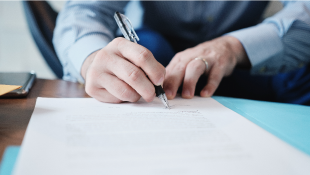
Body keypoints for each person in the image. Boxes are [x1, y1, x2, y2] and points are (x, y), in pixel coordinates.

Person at [53, 0, 310, 105]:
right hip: (158, 60)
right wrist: (91, 59)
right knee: (148, 53)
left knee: (300, 71)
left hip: (239, 61)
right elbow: (84, 11)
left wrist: (233, 48)